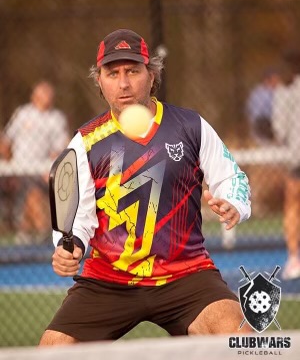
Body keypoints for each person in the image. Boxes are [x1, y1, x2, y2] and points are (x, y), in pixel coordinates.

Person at [39, 29, 252, 345]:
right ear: (99, 81)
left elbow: (231, 178)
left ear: (152, 76)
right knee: (53, 349)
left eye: (133, 71)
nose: (123, 83)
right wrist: (68, 247)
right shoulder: (85, 142)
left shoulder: (190, 126)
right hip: (107, 280)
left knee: (243, 342)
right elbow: (77, 218)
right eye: (113, 74)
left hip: (186, 275)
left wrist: (233, 202)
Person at [0, 81, 69, 244]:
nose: (46, 97)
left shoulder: (56, 118)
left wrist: (51, 169)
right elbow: (6, 142)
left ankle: (35, 236)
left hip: (42, 170)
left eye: (49, 94)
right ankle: (30, 235)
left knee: (34, 196)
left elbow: (60, 148)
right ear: (34, 96)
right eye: (42, 93)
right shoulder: (22, 113)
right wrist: (8, 168)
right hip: (18, 168)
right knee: (29, 199)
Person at [272, 50, 300, 280]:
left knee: (293, 205)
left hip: (296, 154)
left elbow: (280, 129)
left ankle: (294, 259)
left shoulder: (284, 90)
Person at [245, 67, 281, 145]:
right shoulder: (263, 93)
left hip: (264, 124)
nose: (277, 82)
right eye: (275, 79)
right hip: (263, 123)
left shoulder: (256, 91)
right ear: (267, 80)